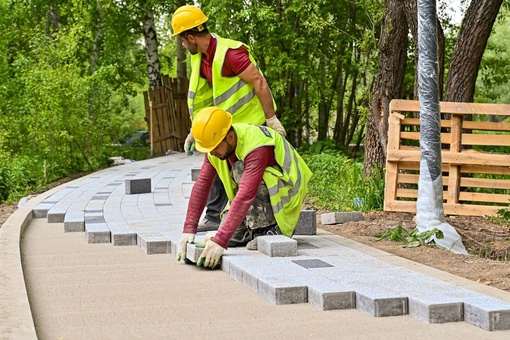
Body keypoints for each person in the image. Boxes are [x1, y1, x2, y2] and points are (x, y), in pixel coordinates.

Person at [171, 4, 286, 232]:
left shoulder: (230, 54)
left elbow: (259, 82)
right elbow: (204, 99)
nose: (182, 46)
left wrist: (271, 119)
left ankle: (262, 226)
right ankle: (220, 219)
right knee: (216, 164)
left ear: (191, 37)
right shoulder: (201, 58)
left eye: (182, 41)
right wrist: (196, 131)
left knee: (244, 174)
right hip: (224, 126)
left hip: (250, 126)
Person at [176, 107, 312, 269]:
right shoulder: (218, 144)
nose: (211, 153)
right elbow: (202, 184)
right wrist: (188, 229)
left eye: (214, 148)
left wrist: (220, 240)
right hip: (255, 195)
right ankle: (246, 230)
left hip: (286, 193)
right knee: (226, 231)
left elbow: (246, 195)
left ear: (230, 137)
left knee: (239, 169)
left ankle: (269, 228)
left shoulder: (256, 146)